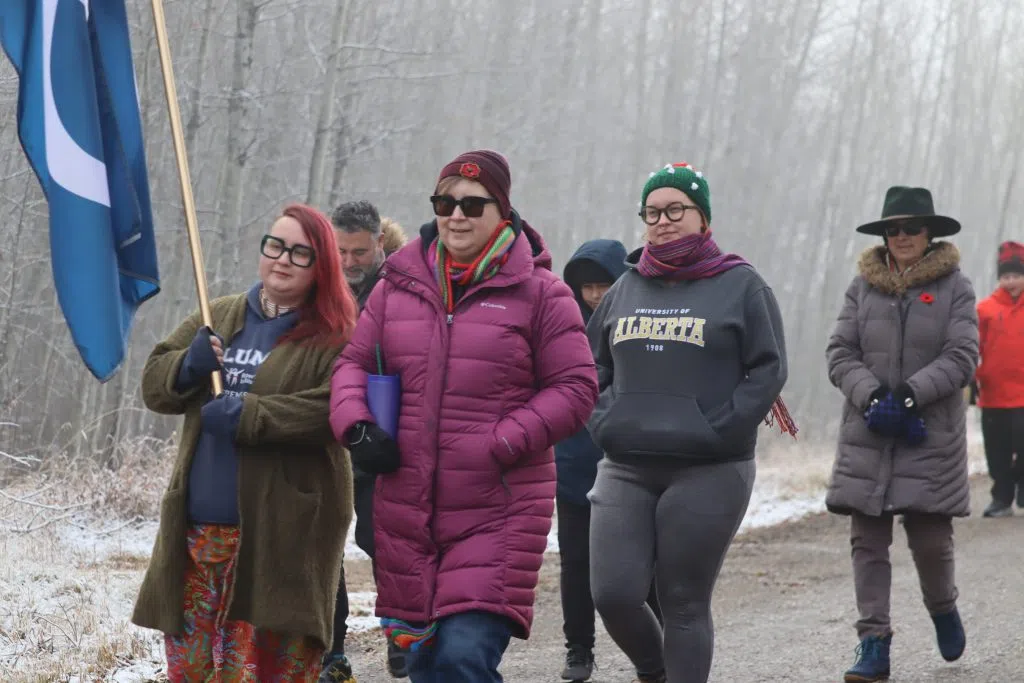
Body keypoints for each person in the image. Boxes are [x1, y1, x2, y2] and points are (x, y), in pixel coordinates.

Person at [329, 149, 598, 683]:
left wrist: (500, 441)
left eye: (473, 205)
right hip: (408, 513)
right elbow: (352, 364)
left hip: (496, 509)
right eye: (445, 202)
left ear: (503, 212)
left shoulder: (542, 294)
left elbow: (576, 387)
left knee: (462, 656)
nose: (456, 215)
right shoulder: (395, 286)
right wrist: (356, 426)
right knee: (428, 665)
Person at [132, 204, 359, 682]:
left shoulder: (336, 334)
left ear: (322, 267)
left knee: (262, 672)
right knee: (192, 669)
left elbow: (333, 409)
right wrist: (186, 368)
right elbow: (154, 385)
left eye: (300, 253)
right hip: (198, 535)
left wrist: (250, 415)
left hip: (280, 539)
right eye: (275, 246)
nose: (282, 260)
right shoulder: (221, 314)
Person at [586, 162, 792, 683]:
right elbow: (591, 365)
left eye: (676, 209)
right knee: (613, 594)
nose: (663, 220)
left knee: (682, 601)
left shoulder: (740, 285)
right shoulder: (626, 286)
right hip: (626, 464)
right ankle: (655, 672)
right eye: (652, 212)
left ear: (703, 217)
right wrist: (605, 418)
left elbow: (768, 368)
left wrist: (722, 428)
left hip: (710, 467)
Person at [825, 186, 978, 682]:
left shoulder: (957, 287)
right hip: (867, 434)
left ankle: (942, 606)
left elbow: (962, 356)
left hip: (928, 435)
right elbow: (839, 353)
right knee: (867, 542)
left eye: (912, 228)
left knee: (931, 541)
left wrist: (910, 395)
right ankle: (873, 644)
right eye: (894, 229)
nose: (903, 236)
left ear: (929, 232)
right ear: (884, 235)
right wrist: (872, 397)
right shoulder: (861, 287)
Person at [555, 238, 662, 683]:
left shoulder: (641, 324)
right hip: (574, 465)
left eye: (604, 284)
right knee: (576, 563)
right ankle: (579, 648)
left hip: (634, 464)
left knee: (648, 564)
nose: (595, 295)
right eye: (587, 287)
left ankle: (656, 651)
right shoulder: (561, 329)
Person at [323, 200, 408, 682]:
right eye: (341, 252)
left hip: (383, 434)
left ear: (379, 242)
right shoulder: (318, 288)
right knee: (325, 546)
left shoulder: (401, 286)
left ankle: (399, 636)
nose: (350, 262)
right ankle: (330, 649)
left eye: (359, 251)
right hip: (327, 437)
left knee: (384, 542)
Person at [976, 240, 1024, 517]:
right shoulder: (985, 310)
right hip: (993, 394)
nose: (1011, 281)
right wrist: (973, 376)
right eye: (1006, 276)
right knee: (997, 453)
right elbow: (972, 348)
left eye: (1016, 275)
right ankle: (1001, 497)